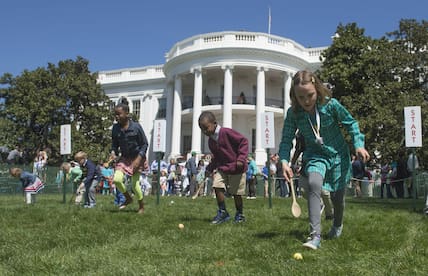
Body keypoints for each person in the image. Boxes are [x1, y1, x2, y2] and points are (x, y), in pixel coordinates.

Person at [278, 70, 370, 250]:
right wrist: (283, 161)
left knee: (337, 197)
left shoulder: (331, 105)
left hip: (338, 155)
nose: (305, 101)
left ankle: (337, 224)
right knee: (313, 183)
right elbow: (287, 139)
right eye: (300, 96)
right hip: (315, 155)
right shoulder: (294, 113)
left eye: (310, 95)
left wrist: (358, 144)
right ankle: (315, 235)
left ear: (318, 90)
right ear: (294, 95)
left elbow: (351, 123)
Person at [198, 111, 249, 224]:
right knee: (217, 185)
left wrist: (241, 159)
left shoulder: (226, 132)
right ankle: (223, 212)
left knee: (237, 193)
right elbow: (216, 157)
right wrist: (209, 169)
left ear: (214, 123)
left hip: (237, 167)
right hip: (223, 168)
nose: (204, 132)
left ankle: (240, 214)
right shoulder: (211, 141)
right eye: (202, 129)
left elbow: (243, 141)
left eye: (206, 128)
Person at [111, 98, 148, 214]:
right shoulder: (115, 128)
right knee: (116, 179)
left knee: (135, 184)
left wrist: (139, 159)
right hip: (125, 158)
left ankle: (141, 205)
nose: (116, 117)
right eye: (115, 115)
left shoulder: (136, 127)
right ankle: (128, 198)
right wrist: (113, 153)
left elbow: (145, 144)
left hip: (138, 158)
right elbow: (114, 145)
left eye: (119, 114)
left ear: (127, 114)